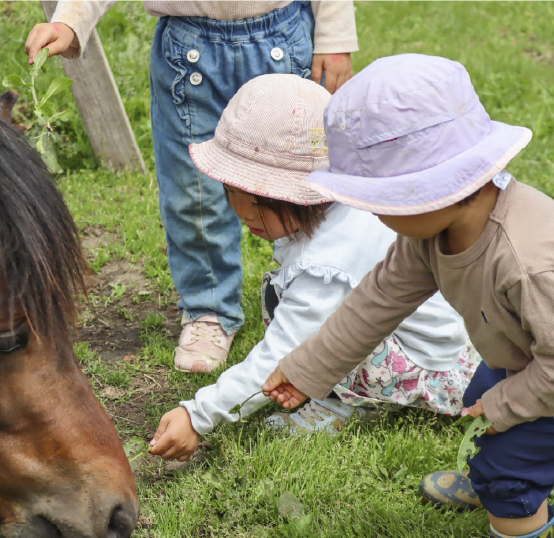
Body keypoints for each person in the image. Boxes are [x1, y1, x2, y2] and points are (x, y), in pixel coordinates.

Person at [262, 54, 554, 538]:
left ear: (433, 189)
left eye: (380, 201)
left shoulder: (530, 261)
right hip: (541, 355)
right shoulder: (432, 232)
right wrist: (308, 369)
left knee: (508, 468)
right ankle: (490, 477)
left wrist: (506, 406)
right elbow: (377, 300)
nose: (374, 214)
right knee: (480, 393)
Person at [147, 73, 477, 462]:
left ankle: (346, 403)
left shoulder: (326, 261)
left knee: (318, 335)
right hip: (451, 342)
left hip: (427, 368)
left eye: (257, 199)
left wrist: (198, 416)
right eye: (232, 192)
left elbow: (280, 352)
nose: (241, 211)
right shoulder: (345, 204)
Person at [25, 2, 358, 373]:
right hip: (189, 54)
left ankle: (320, 293)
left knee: (302, 185)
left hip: (282, 40)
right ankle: (208, 308)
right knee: (194, 193)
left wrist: (335, 36)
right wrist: (70, 21)